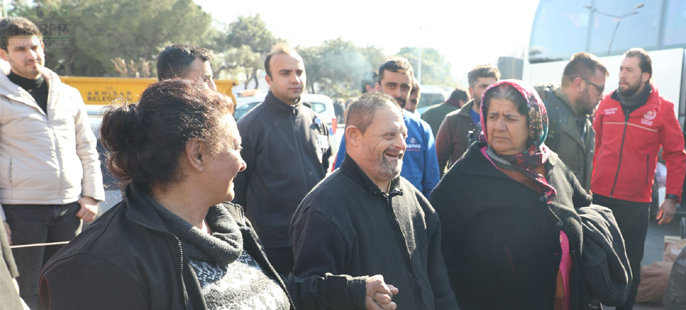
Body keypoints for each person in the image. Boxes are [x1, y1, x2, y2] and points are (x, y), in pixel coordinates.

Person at [39, 80, 398, 310]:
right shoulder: (99, 267)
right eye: (235, 148)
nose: (243, 164)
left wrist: (347, 294)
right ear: (197, 154)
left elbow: (259, 293)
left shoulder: (230, 224)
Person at [429, 80, 629, 310]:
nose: (499, 126)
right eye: (493, 116)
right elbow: (438, 259)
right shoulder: (463, 180)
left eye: (511, 118)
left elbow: (583, 206)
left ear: (533, 123)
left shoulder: (552, 164)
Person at [291, 91, 459, 310]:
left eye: (404, 135)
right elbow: (306, 296)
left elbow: (439, 284)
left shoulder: (417, 203)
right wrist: (355, 292)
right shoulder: (323, 210)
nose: (401, 145)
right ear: (353, 136)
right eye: (389, 135)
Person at [0, 17, 104, 309]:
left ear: (43, 46)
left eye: (35, 46)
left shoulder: (69, 95)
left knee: (65, 285)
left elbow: (87, 147)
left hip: (70, 210)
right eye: (20, 49)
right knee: (28, 291)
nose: (31, 54)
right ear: (3, 54)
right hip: (21, 211)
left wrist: (91, 195)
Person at [592, 47, 686, 310]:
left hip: (635, 203)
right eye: (621, 69)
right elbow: (597, 147)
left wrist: (671, 197)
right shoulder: (606, 104)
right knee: (593, 259)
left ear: (645, 76)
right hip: (598, 197)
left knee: (629, 265)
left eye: (629, 70)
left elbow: (676, 155)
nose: (622, 75)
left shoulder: (662, 109)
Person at [234, 43, 332, 276]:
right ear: (268, 80)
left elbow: (325, 172)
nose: (295, 78)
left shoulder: (317, 122)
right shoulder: (249, 126)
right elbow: (235, 189)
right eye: (285, 73)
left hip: (316, 238)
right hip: (273, 245)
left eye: (299, 72)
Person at [334, 57, 440, 197]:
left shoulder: (422, 129)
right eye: (391, 85)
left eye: (405, 87)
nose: (398, 93)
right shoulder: (359, 126)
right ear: (378, 87)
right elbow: (341, 176)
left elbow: (431, 185)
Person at [538, 52, 608, 191]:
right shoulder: (544, 116)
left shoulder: (586, 120)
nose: (602, 97)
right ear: (579, 84)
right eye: (599, 89)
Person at [436, 64, 499, 174]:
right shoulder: (453, 120)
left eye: (493, 86)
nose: (489, 91)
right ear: (471, 91)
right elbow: (438, 162)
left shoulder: (506, 121)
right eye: (483, 86)